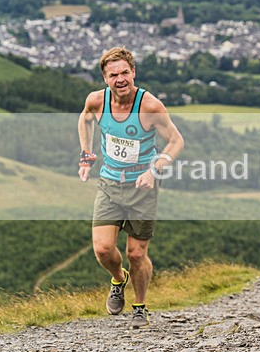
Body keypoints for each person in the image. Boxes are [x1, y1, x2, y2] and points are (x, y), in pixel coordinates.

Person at [78, 47, 184, 329]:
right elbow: (85, 119)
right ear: (105, 77)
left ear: (133, 72)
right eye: (114, 74)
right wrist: (87, 156)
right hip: (110, 184)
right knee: (102, 249)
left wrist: (156, 168)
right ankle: (118, 279)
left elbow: (176, 141)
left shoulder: (149, 106)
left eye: (125, 72)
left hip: (142, 187)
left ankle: (140, 306)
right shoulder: (96, 101)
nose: (120, 79)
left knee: (136, 254)